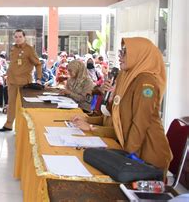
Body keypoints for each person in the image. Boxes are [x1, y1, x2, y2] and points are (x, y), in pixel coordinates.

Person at [73, 38, 172, 172]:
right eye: (121, 51)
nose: (120, 56)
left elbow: (140, 124)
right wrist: (109, 98)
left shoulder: (146, 82)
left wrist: (124, 157)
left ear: (140, 55)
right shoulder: (126, 77)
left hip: (146, 155)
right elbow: (116, 115)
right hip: (129, 150)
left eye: (125, 53)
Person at [0, 29, 42, 132]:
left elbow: (38, 64)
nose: (17, 39)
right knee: (11, 104)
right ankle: (8, 125)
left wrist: (39, 79)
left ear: (24, 37)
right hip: (12, 81)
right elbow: (14, 64)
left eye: (20, 37)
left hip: (23, 83)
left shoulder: (29, 49)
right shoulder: (13, 48)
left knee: (22, 106)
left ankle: (22, 128)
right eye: (16, 37)